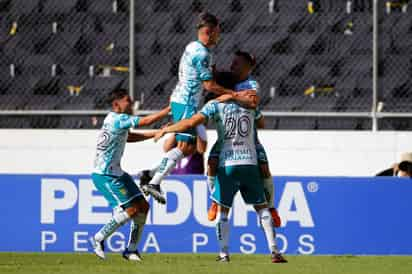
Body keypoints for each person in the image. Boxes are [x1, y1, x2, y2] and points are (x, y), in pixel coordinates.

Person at [153, 94, 287, 263]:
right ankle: (275, 251)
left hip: (228, 163)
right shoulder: (249, 103)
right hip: (249, 163)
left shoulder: (214, 105)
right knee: (262, 208)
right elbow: (262, 123)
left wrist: (167, 129)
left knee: (223, 212)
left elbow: (190, 123)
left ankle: (224, 253)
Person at [140, 12, 252, 204]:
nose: (220, 35)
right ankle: (154, 182)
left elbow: (211, 74)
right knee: (185, 146)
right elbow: (209, 85)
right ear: (209, 31)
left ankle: (150, 173)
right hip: (186, 102)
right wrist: (234, 94)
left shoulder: (194, 47)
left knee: (190, 148)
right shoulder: (202, 54)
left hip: (182, 100)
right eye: (218, 31)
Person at [89, 89, 170, 261]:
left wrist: (155, 134)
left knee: (143, 207)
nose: (131, 104)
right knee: (131, 210)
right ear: (116, 104)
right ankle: (98, 238)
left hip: (117, 173)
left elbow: (129, 137)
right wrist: (168, 109)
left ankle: (131, 250)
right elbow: (146, 120)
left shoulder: (113, 120)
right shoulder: (119, 118)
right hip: (105, 175)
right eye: (128, 101)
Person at [206, 51, 281, 228]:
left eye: (236, 63)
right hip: (226, 136)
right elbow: (211, 87)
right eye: (232, 62)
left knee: (264, 168)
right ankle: (215, 200)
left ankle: (271, 208)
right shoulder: (228, 81)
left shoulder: (251, 84)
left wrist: (228, 96)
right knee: (211, 164)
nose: (232, 66)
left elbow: (251, 102)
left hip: (249, 138)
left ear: (248, 67)